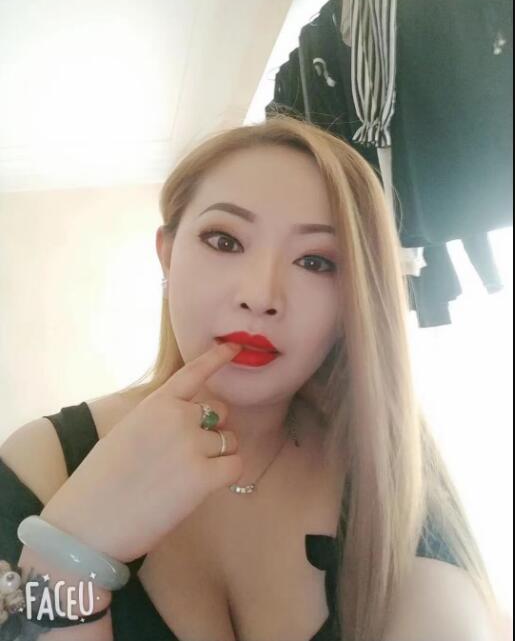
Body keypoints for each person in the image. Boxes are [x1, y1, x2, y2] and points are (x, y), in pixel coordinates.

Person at [0, 116, 502, 640]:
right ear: (167, 255)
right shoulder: (42, 461)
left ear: (353, 298)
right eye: (224, 240)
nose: (261, 297)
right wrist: (69, 553)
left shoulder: (390, 473)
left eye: (316, 261)